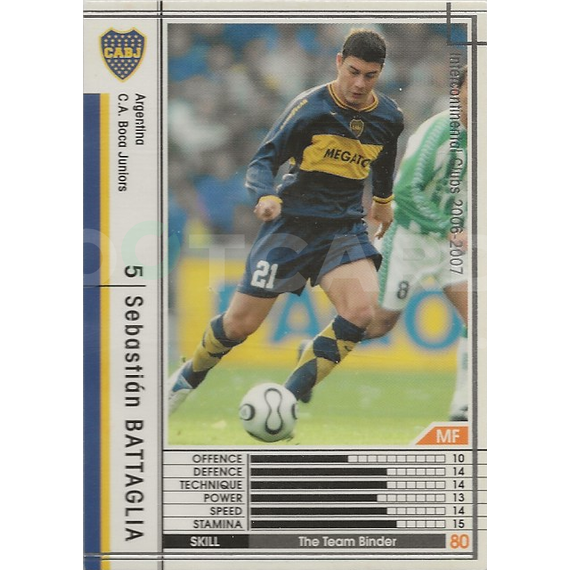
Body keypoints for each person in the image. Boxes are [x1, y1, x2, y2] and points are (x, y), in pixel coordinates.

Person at [168, 29, 404, 416]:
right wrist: (265, 195)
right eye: (353, 72)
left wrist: (382, 202)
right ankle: (186, 378)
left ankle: (284, 401)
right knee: (239, 326)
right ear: (339, 62)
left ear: (380, 73)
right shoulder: (309, 108)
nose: (360, 84)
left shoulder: (389, 117)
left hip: (342, 229)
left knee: (362, 313)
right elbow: (264, 159)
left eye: (370, 76)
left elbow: (383, 160)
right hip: (292, 226)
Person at [366, 65, 469, 421]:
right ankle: (321, 348)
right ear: (457, 93)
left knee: (482, 318)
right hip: (410, 237)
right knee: (377, 324)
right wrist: (446, 225)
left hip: (451, 246)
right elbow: (406, 190)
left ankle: (463, 406)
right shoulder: (440, 131)